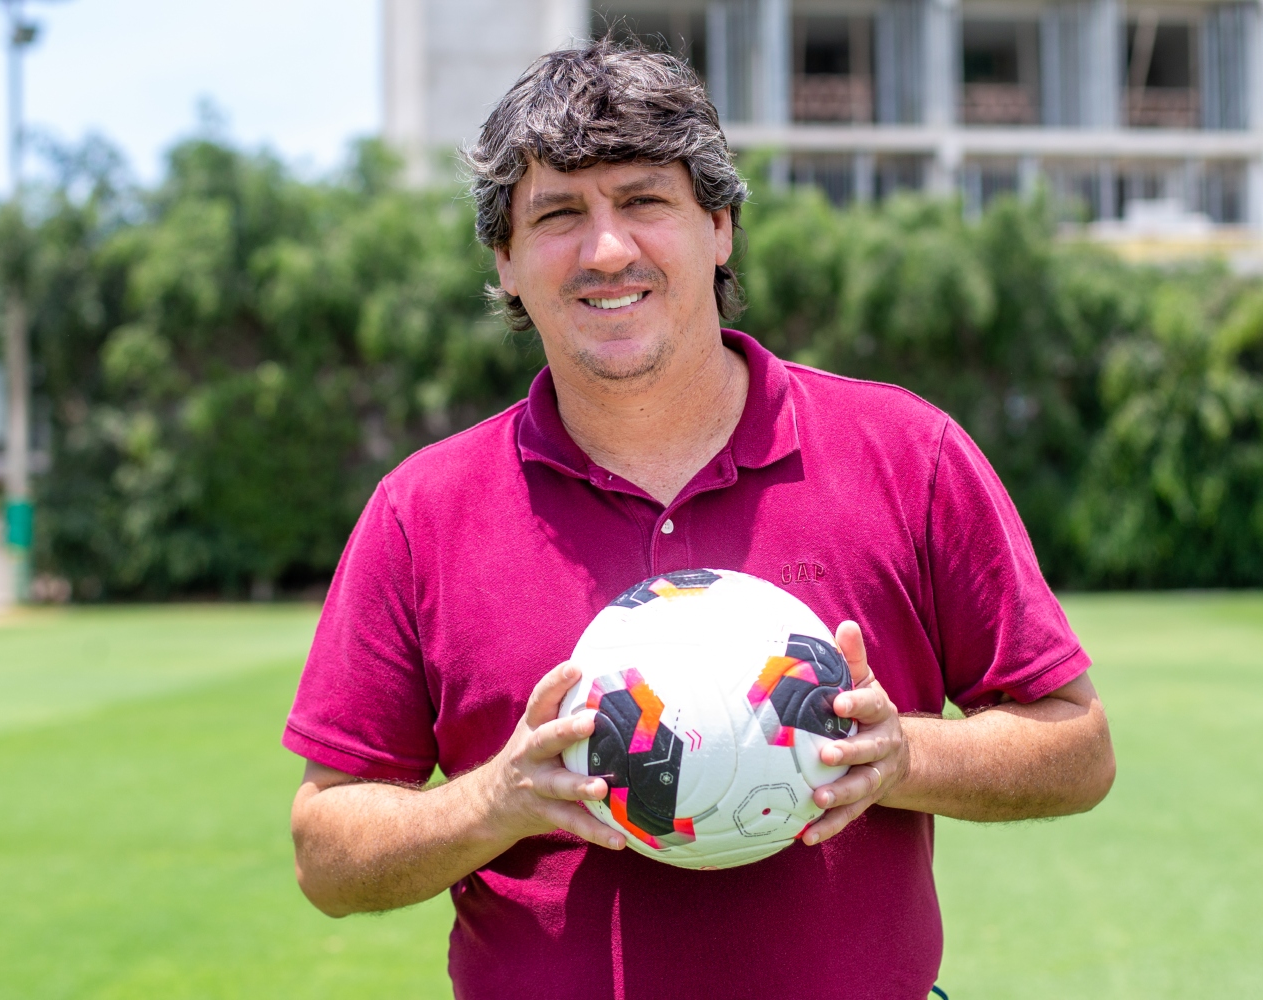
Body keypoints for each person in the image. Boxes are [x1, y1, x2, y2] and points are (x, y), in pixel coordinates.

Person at [285, 39, 1115, 1000]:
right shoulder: (422, 511)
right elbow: (327, 852)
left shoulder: (905, 453)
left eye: (644, 201)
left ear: (719, 226)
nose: (606, 251)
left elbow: (1075, 746)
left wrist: (900, 755)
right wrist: (497, 800)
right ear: (505, 260)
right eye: (558, 214)